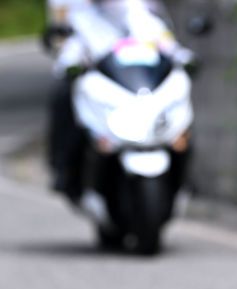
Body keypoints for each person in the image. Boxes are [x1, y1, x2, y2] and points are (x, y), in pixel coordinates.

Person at [44, 0, 194, 197]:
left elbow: (164, 41)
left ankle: (187, 177)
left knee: (179, 120)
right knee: (63, 98)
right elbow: (70, 49)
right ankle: (64, 167)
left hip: (140, 86)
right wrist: (69, 64)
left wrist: (183, 55)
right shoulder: (82, 14)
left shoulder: (138, 10)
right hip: (104, 87)